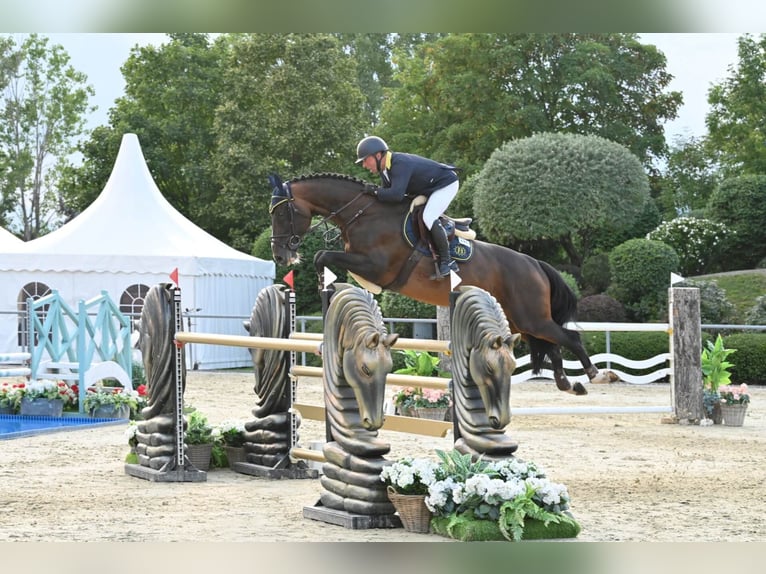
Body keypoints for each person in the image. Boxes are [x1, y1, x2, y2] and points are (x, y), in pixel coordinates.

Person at [355, 135, 460, 279]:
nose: (364, 165)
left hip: (445, 184)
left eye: (365, 160)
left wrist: (374, 191)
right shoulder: (385, 172)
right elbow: (388, 199)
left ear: (378, 155)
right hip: (428, 188)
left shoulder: (400, 163)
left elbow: (396, 195)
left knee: (428, 217)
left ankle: (448, 261)